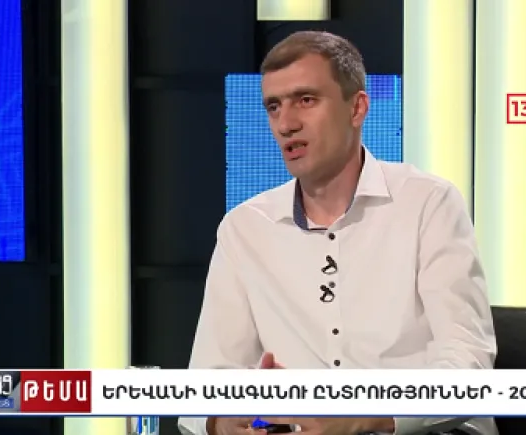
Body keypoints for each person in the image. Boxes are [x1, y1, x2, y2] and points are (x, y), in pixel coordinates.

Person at [178, 31, 497, 435]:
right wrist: (222, 423)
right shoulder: (245, 228)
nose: (286, 124)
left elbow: (467, 363)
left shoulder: (428, 203)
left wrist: (364, 417)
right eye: (274, 107)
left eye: (306, 100)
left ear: (357, 108)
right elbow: (207, 382)